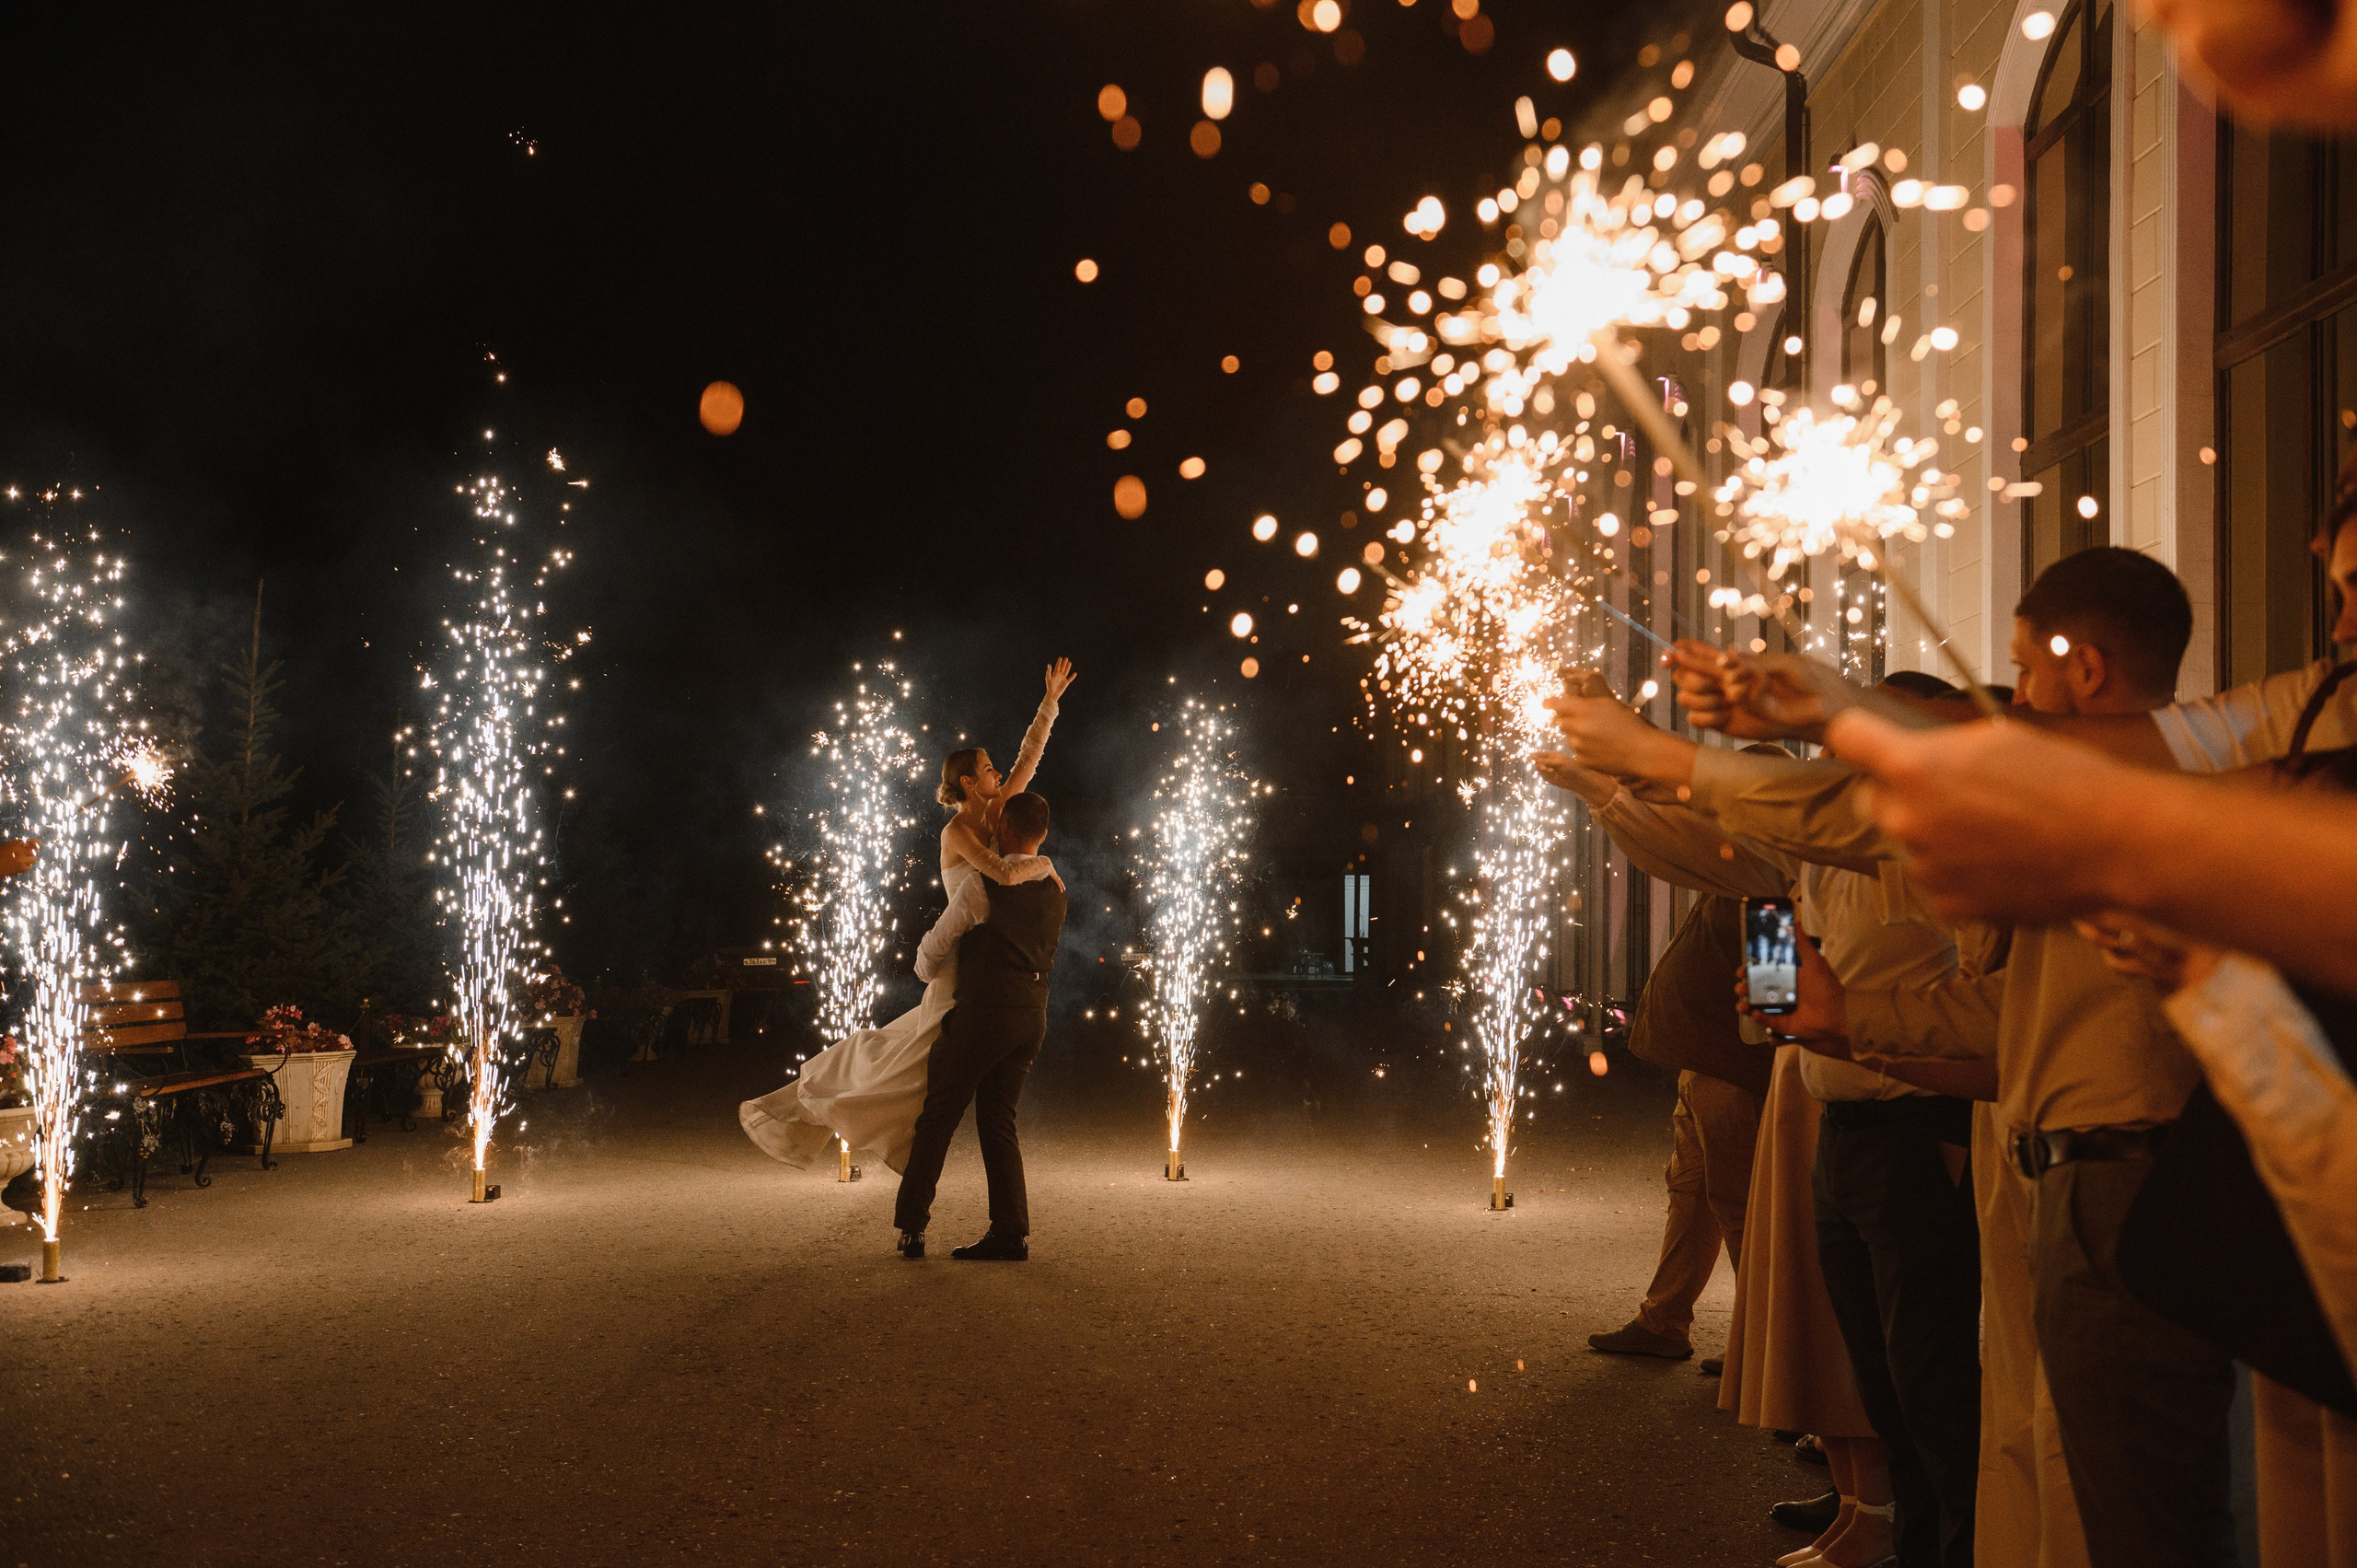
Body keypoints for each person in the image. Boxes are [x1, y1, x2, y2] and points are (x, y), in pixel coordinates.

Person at [1653, 551, 2232, 1568]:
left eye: (2019, 667)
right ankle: (1887, 1519)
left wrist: (1851, 1014)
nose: (2004, 692)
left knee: (2055, 1442)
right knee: (1932, 1389)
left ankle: (1914, 1531)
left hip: (2049, 1154)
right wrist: (1626, 771)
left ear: (2082, 667)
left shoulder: (2123, 806)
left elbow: (1994, 1010)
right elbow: (1765, 838)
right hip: (1960, 1133)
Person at [1549, 674, 1985, 1568]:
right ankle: (1880, 1512)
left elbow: (1973, 1005)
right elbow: (1716, 862)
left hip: (1904, 1125)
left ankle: (1928, 1533)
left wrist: (1641, 758)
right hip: (1826, 1108)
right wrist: (1605, 786)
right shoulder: (1811, 855)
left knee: (1926, 1374)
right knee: (1873, 1363)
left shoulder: (1934, 841)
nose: (1835, 766)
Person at [739, 659, 1074, 1170]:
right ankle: (815, 1111)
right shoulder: (958, 832)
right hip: (955, 960)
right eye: (988, 769)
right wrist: (1043, 865)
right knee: (905, 1064)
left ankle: (880, 1139)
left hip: (978, 960)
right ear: (968, 781)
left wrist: (1049, 702)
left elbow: (1031, 755)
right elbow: (1002, 876)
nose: (1000, 773)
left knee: (912, 1065)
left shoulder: (1001, 808)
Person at [1537, 749, 1770, 1370]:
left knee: (1742, 1206)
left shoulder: (1765, 875)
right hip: (1709, 1063)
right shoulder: (1740, 869)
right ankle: (1664, 1319)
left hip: (1733, 1070)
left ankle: (1769, 1348)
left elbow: (1778, 1004)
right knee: (1693, 1195)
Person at [892, 790, 1065, 1260]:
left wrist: (926, 973)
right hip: (1033, 1014)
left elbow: (935, 947)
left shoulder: (981, 886)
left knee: (939, 1118)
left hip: (984, 1014)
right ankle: (1011, 1233)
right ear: (1043, 834)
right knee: (998, 1121)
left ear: (1004, 827)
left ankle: (912, 1226)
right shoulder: (1055, 887)